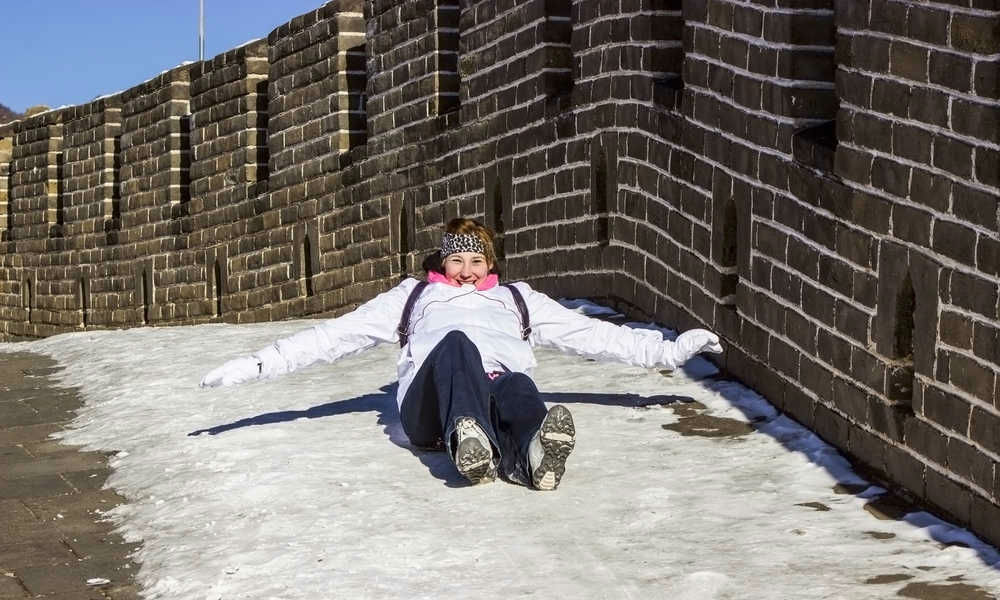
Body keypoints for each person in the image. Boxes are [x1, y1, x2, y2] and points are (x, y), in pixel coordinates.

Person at [200, 217, 723, 490]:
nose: (467, 270)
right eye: (457, 261)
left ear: (490, 262)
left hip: (496, 394)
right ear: (442, 263)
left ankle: (532, 456)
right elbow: (335, 336)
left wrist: (669, 352)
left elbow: (593, 335)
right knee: (455, 347)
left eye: (477, 260)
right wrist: (256, 364)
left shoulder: (517, 300)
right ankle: (466, 436)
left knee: (517, 382)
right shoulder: (411, 297)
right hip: (428, 411)